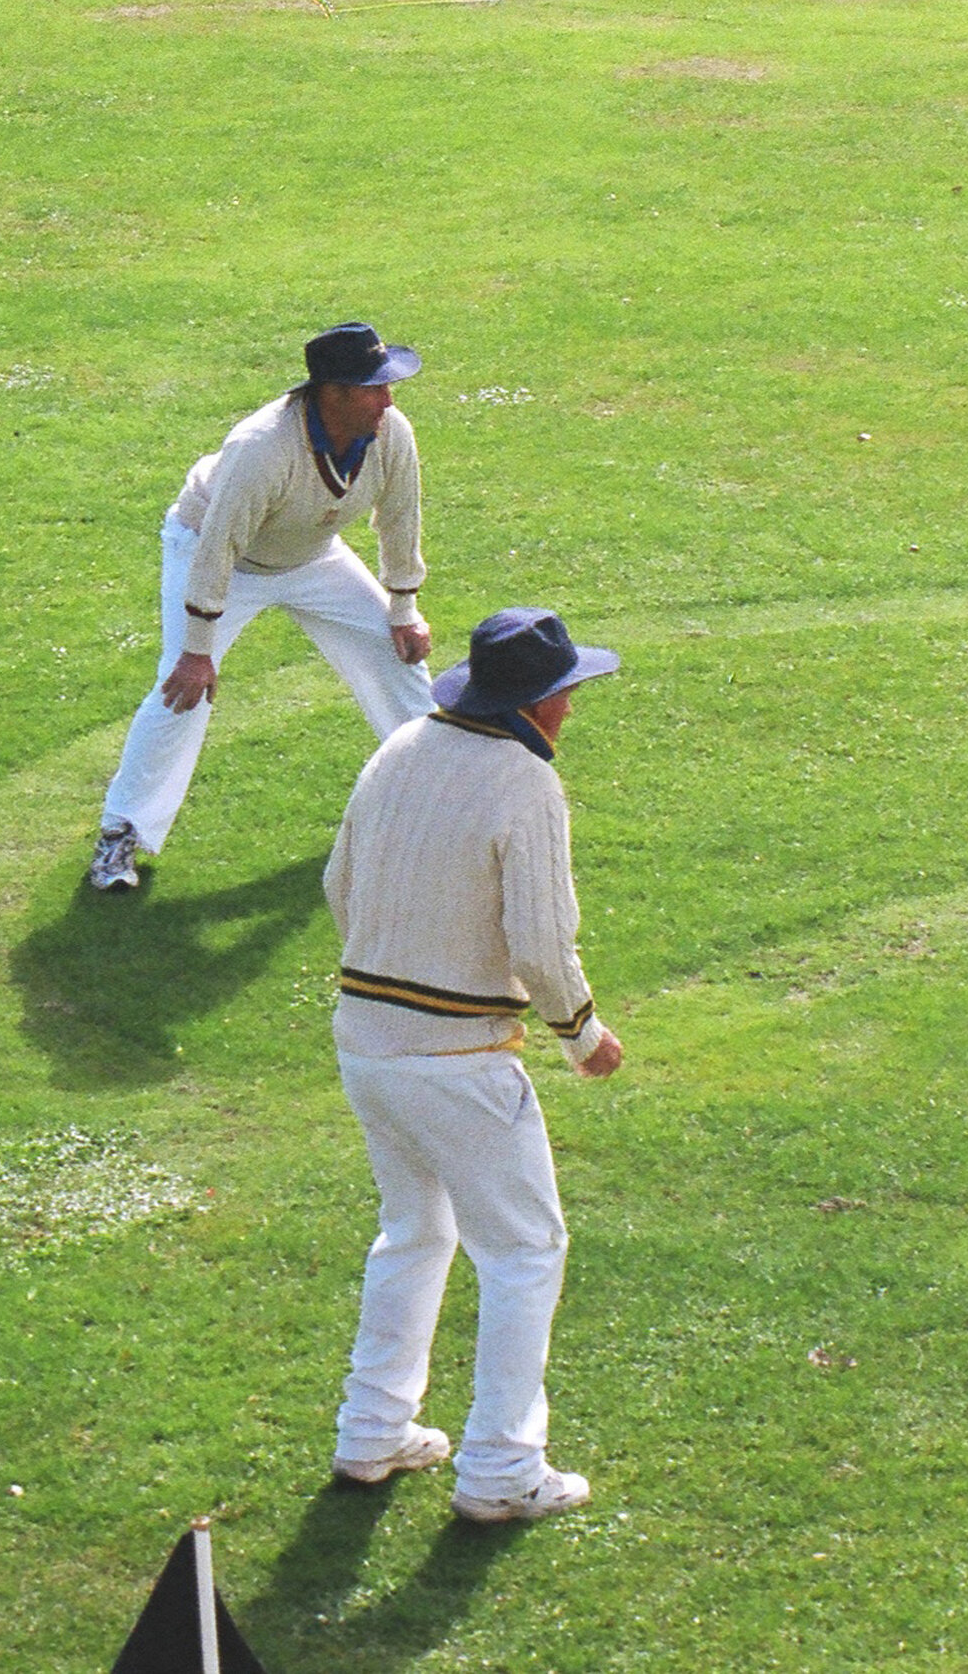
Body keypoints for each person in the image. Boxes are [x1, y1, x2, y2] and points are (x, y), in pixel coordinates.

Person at [320, 607, 626, 1525]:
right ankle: (500, 1465)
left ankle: (370, 1430)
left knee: (413, 1230)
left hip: (364, 1040)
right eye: (567, 693)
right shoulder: (524, 782)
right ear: (541, 702)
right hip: (456, 1057)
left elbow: (339, 880)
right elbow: (538, 939)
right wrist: (581, 1032)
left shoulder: (401, 746)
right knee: (526, 1250)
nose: (571, 708)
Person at [85, 322, 433, 894]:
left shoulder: (390, 432)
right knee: (182, 693)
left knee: (396, 658)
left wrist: (403, 608)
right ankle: (120, 834)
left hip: (314, 558)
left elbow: (400, 519)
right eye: (375, 387)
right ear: (334, 392)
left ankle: (432, 794)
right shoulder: (261, 448)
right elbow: (216, 551)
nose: (389, 398)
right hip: (217, 555)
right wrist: (198, 652)